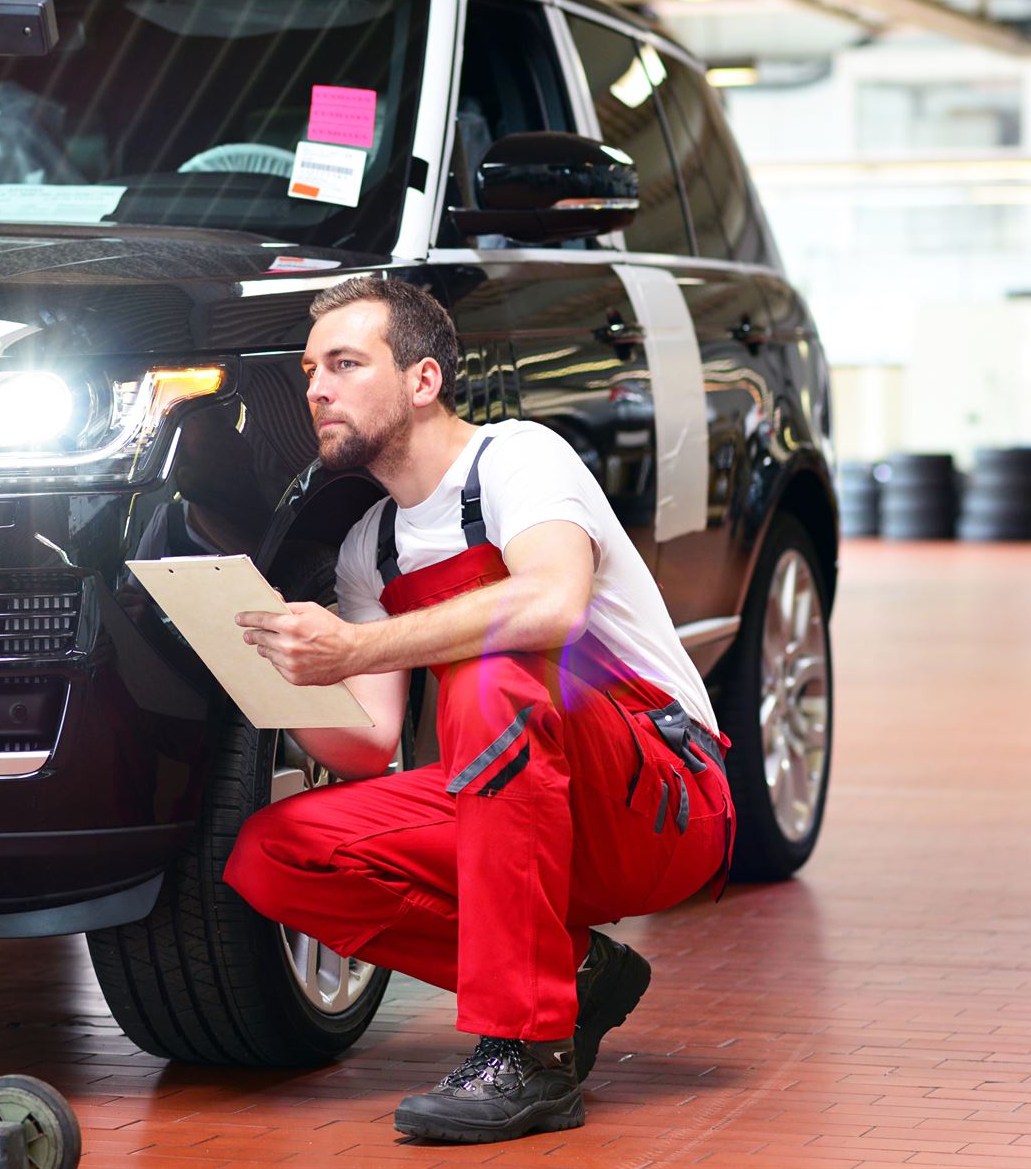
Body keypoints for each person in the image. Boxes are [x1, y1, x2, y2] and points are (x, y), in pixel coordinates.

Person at [223, 275, 736, 1145]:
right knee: (279, 854)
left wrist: (354, 648)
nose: (317, 388)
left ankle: (528, 1057)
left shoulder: (517, 458)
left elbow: (552, 606)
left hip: (658, 794)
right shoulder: (369, 548)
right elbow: (368, 743)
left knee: (491, 671)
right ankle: (573, 975)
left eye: (346, 363)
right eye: (311, 370)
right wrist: (267, 674)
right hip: (517, 804)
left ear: (424, 380)